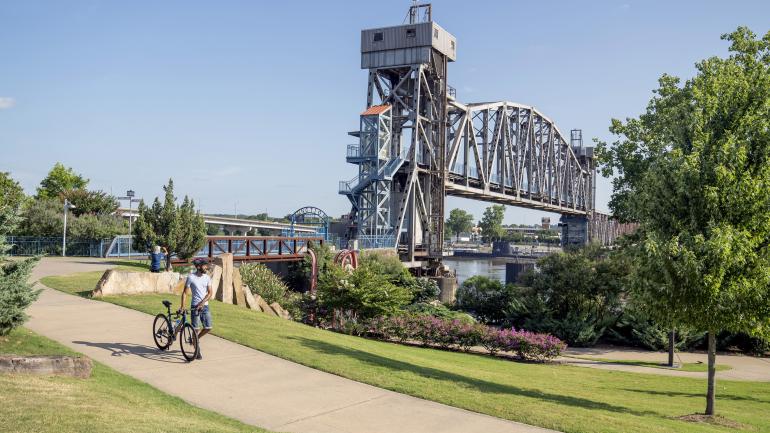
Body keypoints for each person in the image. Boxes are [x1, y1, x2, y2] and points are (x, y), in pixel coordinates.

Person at [180, 258, 213, 360]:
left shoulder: (207, 278)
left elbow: (210, 293)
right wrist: (182, 306)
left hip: (205, 306)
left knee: (208, 327)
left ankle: (194, 339)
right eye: (204, 266)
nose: (206, 267)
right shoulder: (191, 277)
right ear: (198, 267)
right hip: (194, 306)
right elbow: (185, 293)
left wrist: (202, 303)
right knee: (196, 328)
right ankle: (197, 349)